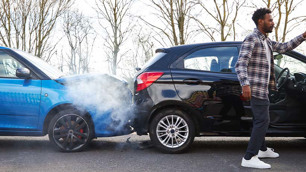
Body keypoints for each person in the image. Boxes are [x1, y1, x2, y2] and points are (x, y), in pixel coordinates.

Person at [235, 8, 306, 169]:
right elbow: (240, 64)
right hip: (255, 89)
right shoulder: (252, 39)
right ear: (261, 21)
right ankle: (249, 156)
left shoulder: (265, 41)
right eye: (270, 20)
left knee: (261, 120)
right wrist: (245, 84)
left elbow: (284, 47)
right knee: (263, 120)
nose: (273, 22)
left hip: (263, 89)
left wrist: (302, 36)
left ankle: (262, 149)